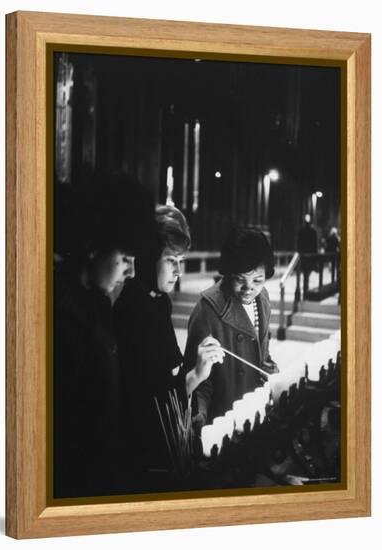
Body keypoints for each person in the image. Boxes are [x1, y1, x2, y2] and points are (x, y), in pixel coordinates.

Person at [53, 174, 155, 498]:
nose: (132, 272)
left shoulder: (96, 305)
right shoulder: (58, 317)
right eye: (126, 259)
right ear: (93, 247)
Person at [114, 205, 224, 483]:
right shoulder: (131, 310)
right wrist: (196, 375)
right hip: (139, 452)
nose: (178, 271)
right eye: (170, 260)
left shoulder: (158, 301)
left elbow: (167, 374)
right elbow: (145, 403)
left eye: (181, 261)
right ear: (149, 258)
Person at [184, 227, 278, 426]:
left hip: (254, 408)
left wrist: (270, 372)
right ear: (227, 274)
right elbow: (197, 380)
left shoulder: (263, 299)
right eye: (239, 279)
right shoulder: (207, 310)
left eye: (258, 280)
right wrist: (199, 415)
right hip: (223, 417)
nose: (249, 288)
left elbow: (262, 354)